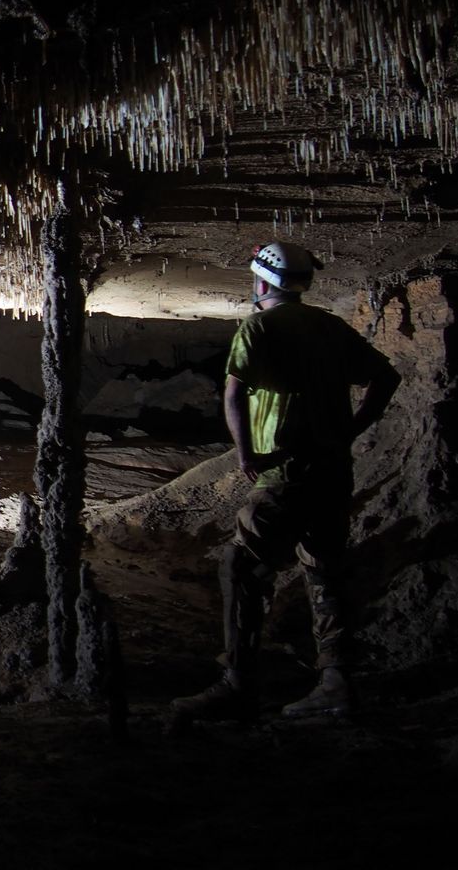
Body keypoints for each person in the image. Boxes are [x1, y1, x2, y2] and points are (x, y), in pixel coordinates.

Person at [172, 241, 400, 722]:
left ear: (260, 283)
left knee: (241, 566)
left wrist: (245, 452)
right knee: (324, 570)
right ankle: (336, 682)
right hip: (333, 472)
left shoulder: (258, 326)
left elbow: (233, 393)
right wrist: (351, 430)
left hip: (285, 472)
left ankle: (238, 684)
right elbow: (386, 377)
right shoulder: (330, 326)